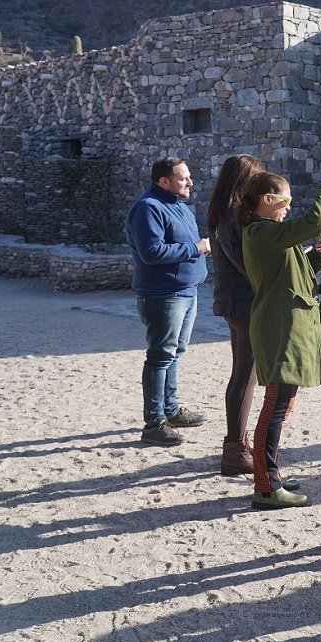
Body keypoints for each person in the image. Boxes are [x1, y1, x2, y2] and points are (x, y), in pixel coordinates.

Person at [240, 172, 321, 510]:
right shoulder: (260, 231)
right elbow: (313, 220)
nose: (290, 207)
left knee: (282, 406)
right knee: (274, 408)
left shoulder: (269, 234)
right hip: (279, 328)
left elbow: (288, 271)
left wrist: (315, 256)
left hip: (287, 326)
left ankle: (272, 477)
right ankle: (266, 486)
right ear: (268, 200)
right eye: (285, 200)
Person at [126, 157, 211, 447]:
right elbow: (152, 252)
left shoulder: (177, 205)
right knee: (161, 356)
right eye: (183, 178)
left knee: (175, 353)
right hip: (164, 295)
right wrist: (195, 248)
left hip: (186, 291)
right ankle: (154, 423)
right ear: (164, 181)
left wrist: (198, 251)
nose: (190, 182)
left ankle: (170, 410)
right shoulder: (148, 208)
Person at [208, 154, 265, 475]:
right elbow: (250, 265)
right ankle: (234, 449)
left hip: (235, 302)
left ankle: (238, 442)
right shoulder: (234, 217)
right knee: (246, 375)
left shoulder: (224, 213)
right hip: (244, 303)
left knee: (243, 374)